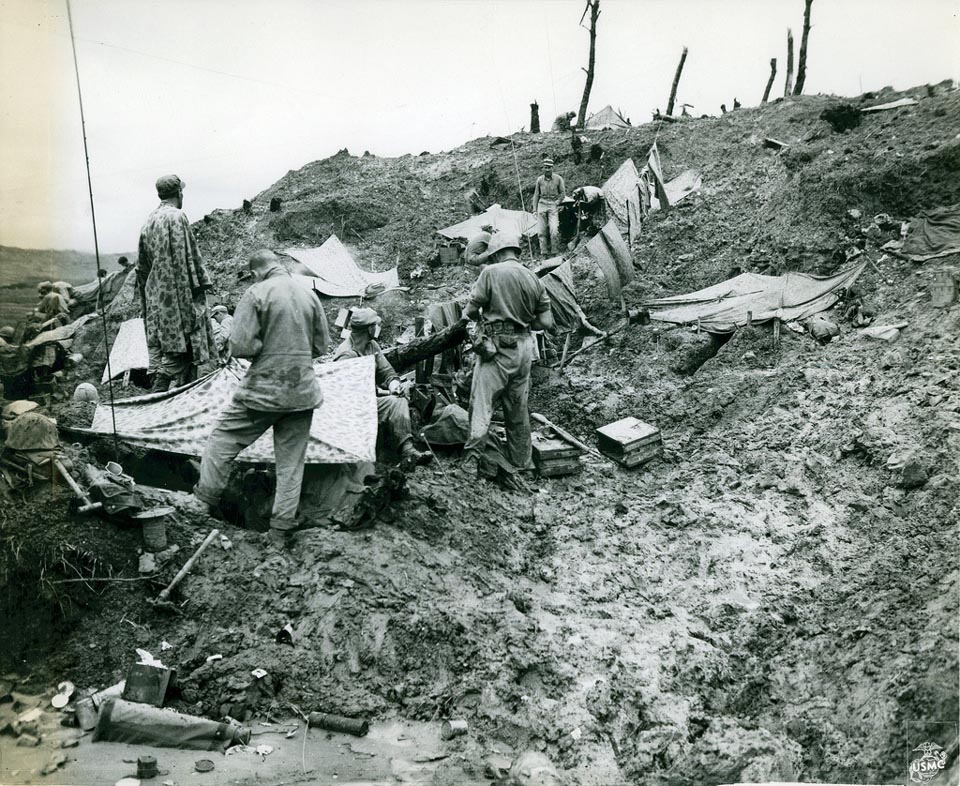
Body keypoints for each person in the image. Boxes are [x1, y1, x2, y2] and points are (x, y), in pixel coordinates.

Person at [192, 249, 330, 544]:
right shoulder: (309, 295)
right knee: (291, 463)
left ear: (256, 272)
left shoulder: (256, 292)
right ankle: (279, 532)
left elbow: (242, 346)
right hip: (302, 392)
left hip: (263, 391)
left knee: (222, 439)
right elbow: (321, 346)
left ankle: (202, 504)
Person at [462, 230, 554, 477]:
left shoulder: (490, 273)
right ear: (515, 251)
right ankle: (522, 462)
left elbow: (471, 311)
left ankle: (471, 460)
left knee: (482, 404)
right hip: (525, 348)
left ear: (497, 253)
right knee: (517, 407)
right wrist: (521, 325)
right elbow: (546, 321)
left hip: (497, 347)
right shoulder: (533, 278)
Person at [137, 174, 217, 392]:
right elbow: (187, 260)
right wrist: (193, 298)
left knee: (164, 353)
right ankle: (157, 400)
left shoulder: (148, 222)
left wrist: (149, 297)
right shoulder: (177, 217)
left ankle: (164, 399)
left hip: (155, 297)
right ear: (179, 193)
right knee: (180, 354)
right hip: (177, 297)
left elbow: (141, 268)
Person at [333, 308, 432, 468]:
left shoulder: (371, 345)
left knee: (398, 400)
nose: (376, 328)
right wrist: (385, 392)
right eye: (374, 325)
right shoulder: (347, 355)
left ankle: (408, 450)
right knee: (393, 402)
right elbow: (351, 394)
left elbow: (386, 371)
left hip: (368, 399)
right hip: (350, 408)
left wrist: (394, 384)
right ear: (369, 329)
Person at [532, 159, 566, 257]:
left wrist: (557, 202)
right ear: (543, 168)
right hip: (542, 204)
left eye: (549, 167)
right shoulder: (539, 180)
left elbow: (563, 193)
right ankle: (544, 253)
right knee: (541, 231)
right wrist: (534, 210)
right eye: (545, 167)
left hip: (553, 205)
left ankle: (555, 251)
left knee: (554, 229)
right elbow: (536, 195)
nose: (547, 170)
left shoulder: (558, 179)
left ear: (552, 168)